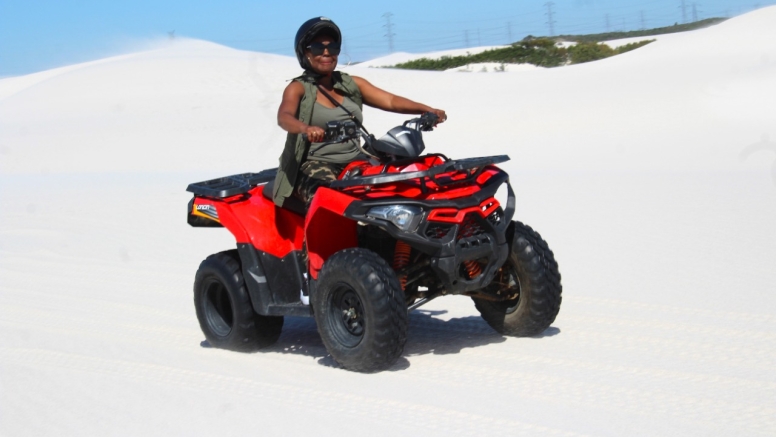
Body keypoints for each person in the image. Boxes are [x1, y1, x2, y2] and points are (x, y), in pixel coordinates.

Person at [272, 16, 447, 208]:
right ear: (305, 53)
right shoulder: (298, 88)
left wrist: (427, 110)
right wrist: (305, 128)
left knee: (399, 189)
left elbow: (390, 100)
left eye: (332, 47)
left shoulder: (351, 83)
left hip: (356, 159)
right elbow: (284, 117)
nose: (326, 52)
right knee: (329, 203)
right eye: (317, 47)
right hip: (314, 164)